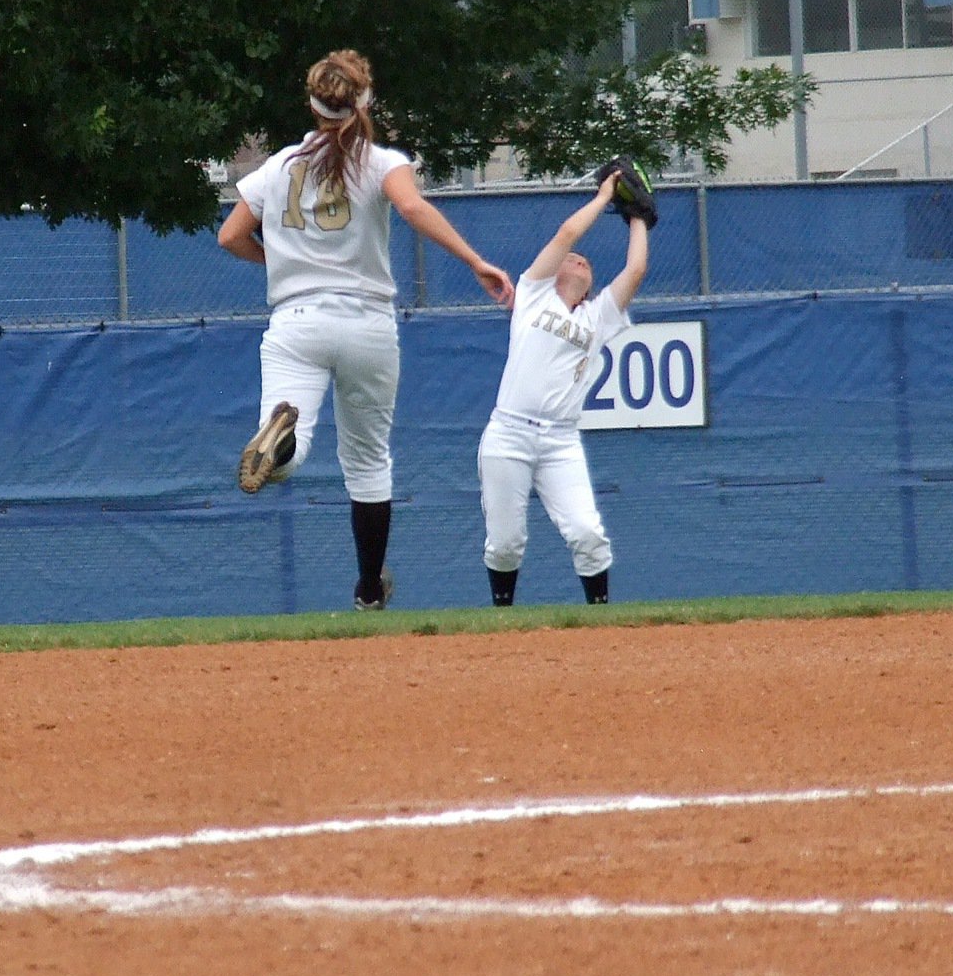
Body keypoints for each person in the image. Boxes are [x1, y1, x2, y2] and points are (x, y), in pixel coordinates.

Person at [218, 49, 514, 611]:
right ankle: (367, 590)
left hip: (295, 320)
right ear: (362, 104)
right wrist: (476, 262)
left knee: (295, 449)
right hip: (365, 322)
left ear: (312, 105)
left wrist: (281, 261)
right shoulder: (381, 162)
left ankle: (278, 442)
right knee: (368, 462)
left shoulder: (278, 165)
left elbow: (229, 236)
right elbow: (411, 209)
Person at [478, 171, 649, 607]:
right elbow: (569, 230)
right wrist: (606, 194)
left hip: (560, 440)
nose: (579, 258)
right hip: (509, 432)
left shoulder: (597, 318)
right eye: (570, 258)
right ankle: (501, 624)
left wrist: (638, 217)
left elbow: (636, 268)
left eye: (586, 263)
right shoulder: (534, 294)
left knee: (589, 533)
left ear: (591, 286)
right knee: (505, 543)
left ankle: (600, 621)